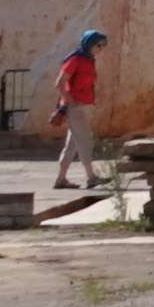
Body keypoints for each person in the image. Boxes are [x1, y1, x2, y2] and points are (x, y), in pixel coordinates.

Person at [48, 25, 107, 189]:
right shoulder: (76, 59)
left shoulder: (88, 60)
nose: (101, 49)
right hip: (75, 107)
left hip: (80, 106)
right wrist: (70, 101)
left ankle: (61, 179)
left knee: (72, 144)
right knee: (85, 141)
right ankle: (91, 177)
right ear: (90, 44)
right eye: (99, 45)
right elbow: (60, 83)